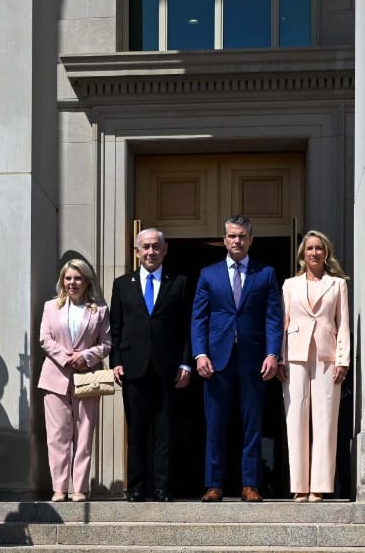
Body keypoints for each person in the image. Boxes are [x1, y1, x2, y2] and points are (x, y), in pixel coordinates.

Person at [191, 215, 283, 502]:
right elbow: (199, 318)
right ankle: (214, 484)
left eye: (242, 236)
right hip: (216, 361)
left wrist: (272, 353)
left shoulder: (265, 273)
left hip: (253, 360)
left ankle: (250, 484)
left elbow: (273, 318)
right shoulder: (209, 274)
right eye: (232, 236)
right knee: (215, 424)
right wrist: (200, 353)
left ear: (251, 240)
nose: (237, 241)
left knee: (252, 424)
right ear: (224, 240)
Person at [109, 227, 192, 503]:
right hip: (133, 368)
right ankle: (136, 487)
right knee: (137, 431)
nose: (151, 252)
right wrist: (116, 362)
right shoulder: (122, 285)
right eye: (145, 247)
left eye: (156, 246)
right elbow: (116, 328)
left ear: (165, 250)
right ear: (136, 252)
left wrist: (186, 364)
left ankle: (162, 487)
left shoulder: (178, 283)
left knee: (165, 431)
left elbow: (185, 329)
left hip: (167, 369)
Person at [280, 230, 350, 501]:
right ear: (302, 254)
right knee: (295, 419)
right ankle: (299, 484)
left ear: (326, 252)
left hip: (327, 355)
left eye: (318, 248)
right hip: (295, 356)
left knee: (325, 420)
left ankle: (319, 485)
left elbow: (343, 324)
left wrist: (343, 359)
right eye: (309, 248)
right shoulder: (289, 285)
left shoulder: (337, 285)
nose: (314, 253)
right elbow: (283, 325)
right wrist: (280, 358)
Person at [37, 257, 112, 502]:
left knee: (84, 434)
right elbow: (45, 339)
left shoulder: (99, 310)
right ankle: (59, 487)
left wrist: (86, 356)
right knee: (57, 435)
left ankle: (80, 487)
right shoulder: (51, 307)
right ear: (62, 281)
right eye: (68, 278)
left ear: (87, 281)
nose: (72, 282)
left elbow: (107, 343)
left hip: (87, 378)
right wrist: (67, 357)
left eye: (77, 278)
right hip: (55, 377)